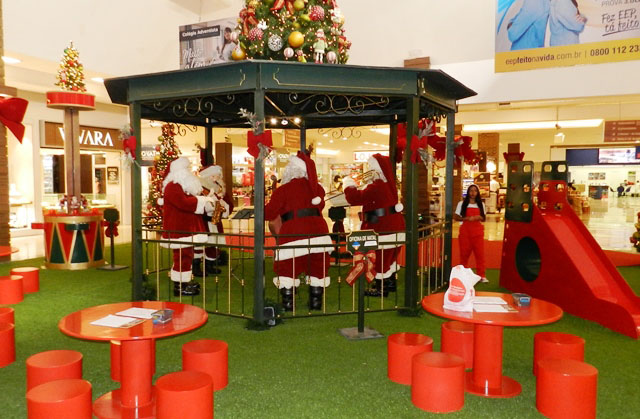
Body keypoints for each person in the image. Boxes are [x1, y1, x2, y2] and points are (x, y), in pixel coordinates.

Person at [265, 151, 333, 311]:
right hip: (319, 232)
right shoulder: (317, 189)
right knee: (317, 265)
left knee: (288, 267)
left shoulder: (284, 190)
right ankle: (316, 303)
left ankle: (288, 304)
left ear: (290, 170)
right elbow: (320, 206)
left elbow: (269, 213)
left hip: (293, 232)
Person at [343, 154, 405, 297]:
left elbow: (355, 198)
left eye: (371, 167)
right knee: (389, 258)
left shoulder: (377, 186)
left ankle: (381, 289)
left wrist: (348, 184)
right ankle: (390, 284)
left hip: (383, 228)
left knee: (381, 259)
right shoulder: (387, 185)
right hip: (392, 226)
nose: (369, 170)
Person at [160, 157, 214, 296]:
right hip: (179, 229)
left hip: (184, 229)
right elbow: (183, 203)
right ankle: (180, 286)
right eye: (186, 169)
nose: (189, 171)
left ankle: (183, 282)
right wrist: (201, 200)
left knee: (186, 255)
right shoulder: (173, 186)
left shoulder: (181, 186)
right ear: (179, 171)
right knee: (181, 256)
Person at [193, 165, 233, 276]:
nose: (218, 178)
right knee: (199, 245)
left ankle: (209, 265)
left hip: (215, 221)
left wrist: (223, 205)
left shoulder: (220, 189)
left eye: (219, 176)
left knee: (214, 244)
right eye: (215, 176)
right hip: (202, 221)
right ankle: (196, 267)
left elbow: (229, 203)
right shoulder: (199, 188)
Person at [454, 184, 488, 283]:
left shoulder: (481, 204)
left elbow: (484, 218)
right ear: (468, 192)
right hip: (465, 233)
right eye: (471, 191)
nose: (473, 193)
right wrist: (467, 218)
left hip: (478, 233)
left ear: (478, 193)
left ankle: (481, 275)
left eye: (475, 191)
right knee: (464, 255)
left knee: (480, 255)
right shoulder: (461, 204)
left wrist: (478, 217)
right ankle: (463, 275)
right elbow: (456, 217)